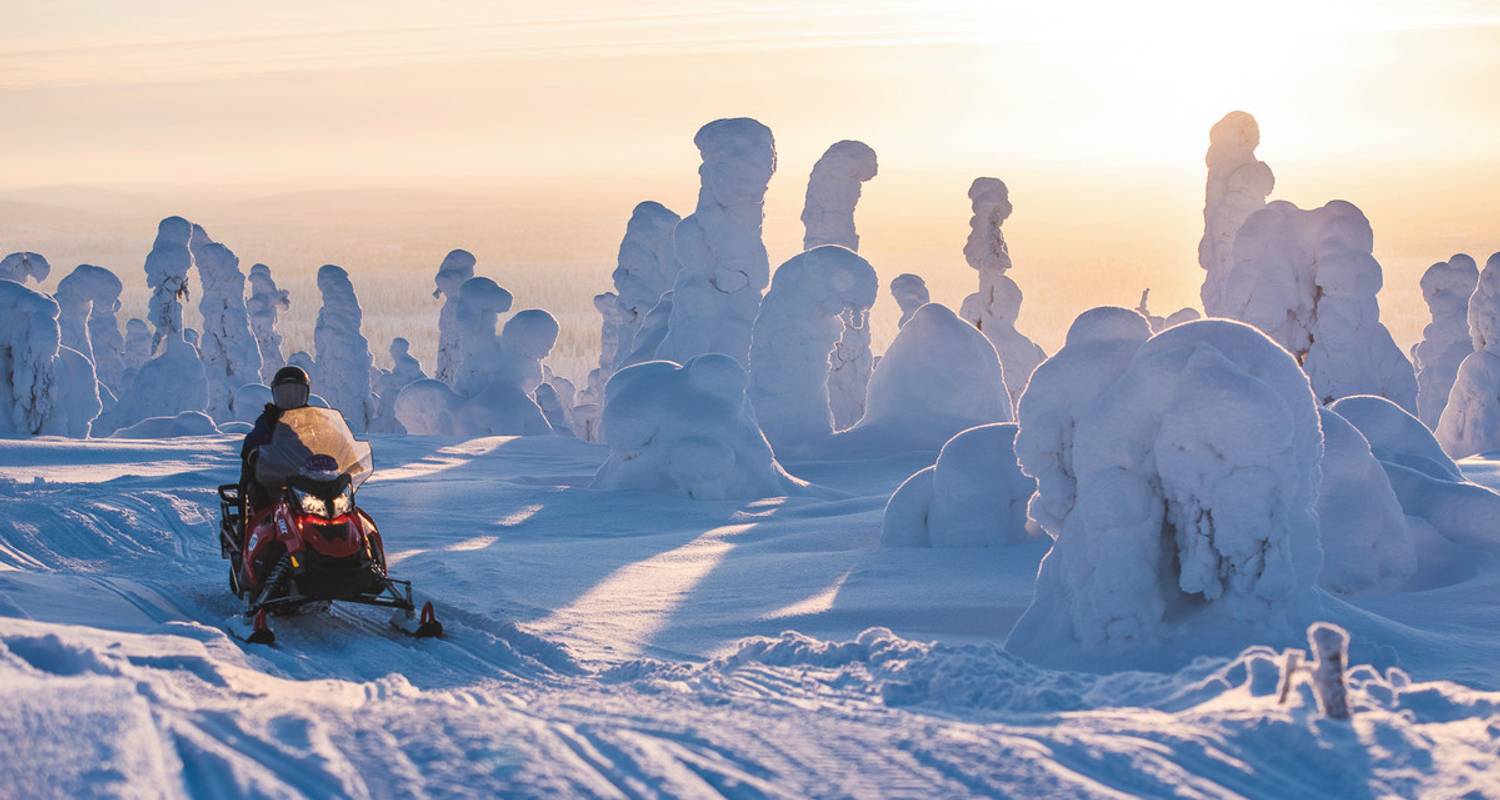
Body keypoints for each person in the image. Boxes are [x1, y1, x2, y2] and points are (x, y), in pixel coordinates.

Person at [240, 366, 312, 510]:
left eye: (296, 393)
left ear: (305, 394)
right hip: (275, 477)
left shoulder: (312, 420)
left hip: (309, 476)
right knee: (260, 492)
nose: (290, 399)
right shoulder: (268, 419)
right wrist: (254, 452)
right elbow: (255, 439)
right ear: (275, 395)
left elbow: (326, 439)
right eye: (285, 394)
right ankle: (260, 526)